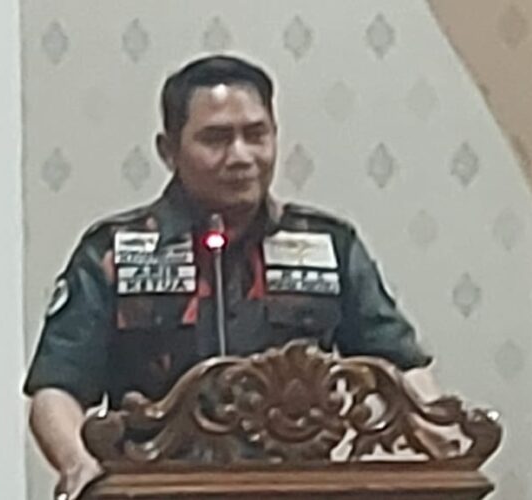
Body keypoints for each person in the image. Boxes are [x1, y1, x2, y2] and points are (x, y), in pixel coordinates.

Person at [24, 54, 437, 500]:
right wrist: (77, 464)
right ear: (168, 151)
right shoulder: (115, 251)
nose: (240, 156)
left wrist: (445, 442)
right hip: (155, 488)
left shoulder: (327, 245)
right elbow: (56, 390)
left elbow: (400, 367)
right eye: (216, 139)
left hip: (296, 488)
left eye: (256, 135)